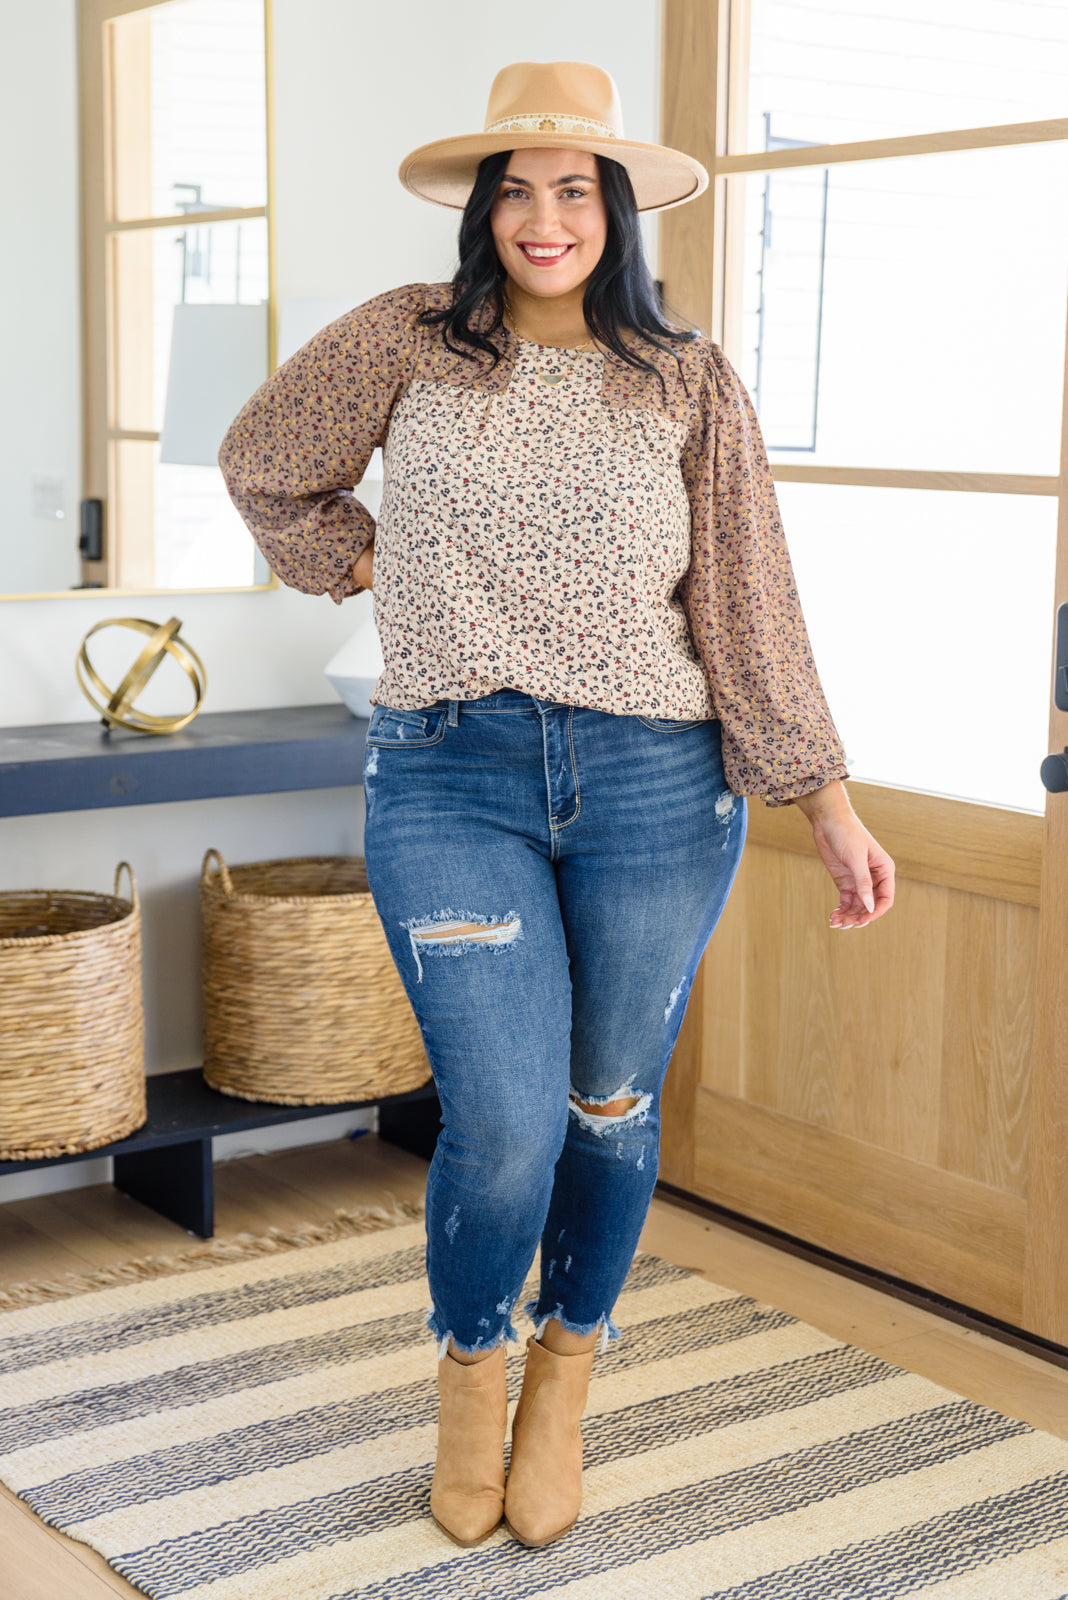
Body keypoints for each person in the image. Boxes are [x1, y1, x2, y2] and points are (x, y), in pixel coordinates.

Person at [217, 59, 895, 1552]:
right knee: (504, 1120)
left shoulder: (685, 377)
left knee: (608, 1104)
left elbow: (749, 605)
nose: (544, 218)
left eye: (574, 190)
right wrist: (370, 563)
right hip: (449, 775)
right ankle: (472, 1374)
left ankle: (564, 1382)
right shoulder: (405, 338)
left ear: (616, 209)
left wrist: (830, 806)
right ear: (482, 208)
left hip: (658, 784)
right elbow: (263, 463)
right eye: (516, 190)